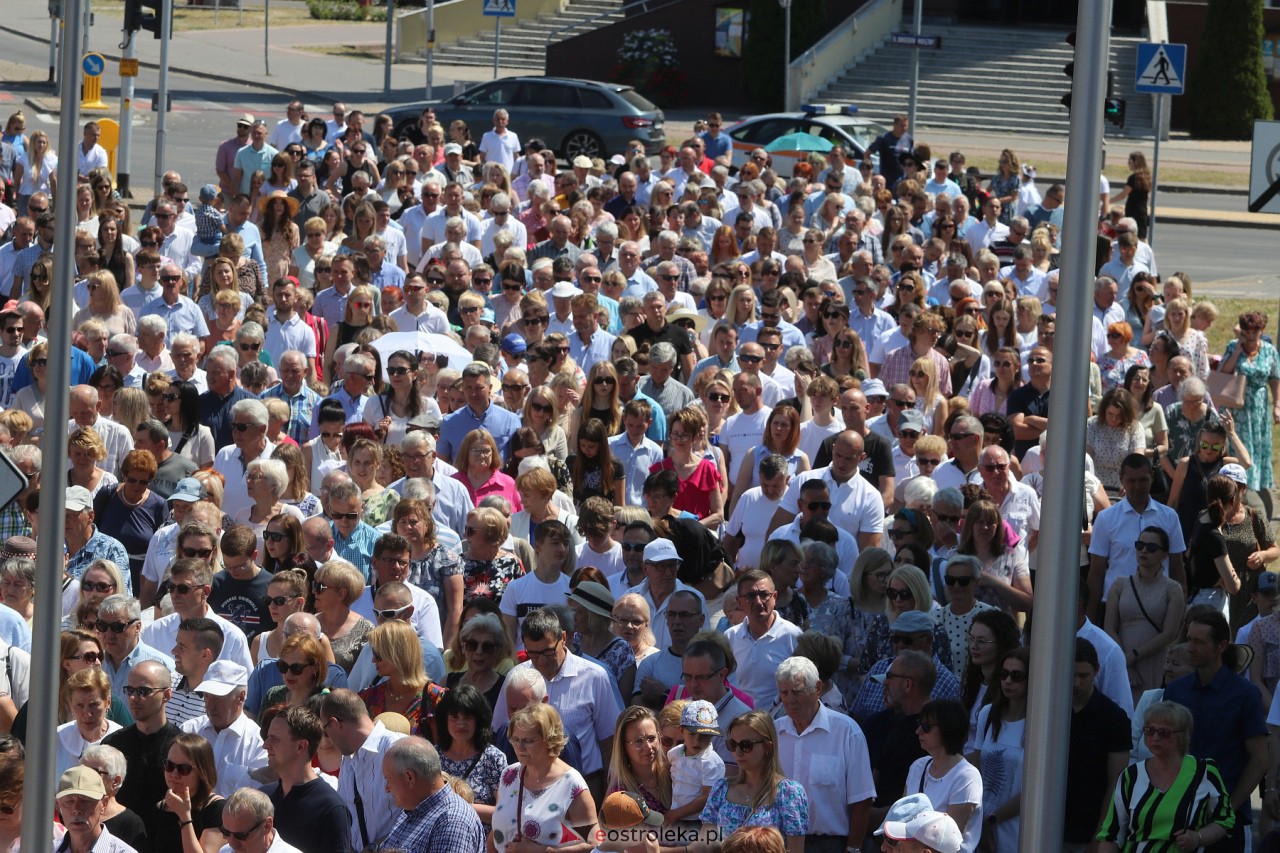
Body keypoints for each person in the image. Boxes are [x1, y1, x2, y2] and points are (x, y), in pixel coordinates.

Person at [1097, 701, 1236, 852]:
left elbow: (1225, 819)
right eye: (1150, 731)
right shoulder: (1130, 776)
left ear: (1182, 735)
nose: (1155, 737)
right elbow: (1111, 834)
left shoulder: (1204, 772)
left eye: (1164, 732)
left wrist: (1198, 838)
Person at [773, 657, 873, 853]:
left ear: (817, 688)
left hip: (828, 844)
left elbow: (862, 800)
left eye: (797, 691)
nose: (790, 700)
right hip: (778, 842)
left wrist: (853, 849)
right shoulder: (774, 732)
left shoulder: (847, 732)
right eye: (784, 693)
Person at [488, 703, 598, 853]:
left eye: (529, 740)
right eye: (515, 739)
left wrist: (542, 851)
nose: (520, 747)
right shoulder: (509, 775)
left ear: (549, 740)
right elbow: (498, 832)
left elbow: (594, 845)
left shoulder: (572, 785)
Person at [697, 710, 808, 853]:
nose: (738, 752)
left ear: (768, 747)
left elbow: (796, 850)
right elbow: (704, 844)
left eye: (746, 745)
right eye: (732, 744)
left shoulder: (789, 792)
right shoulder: (721, 788)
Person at [102, 660, 180, 847]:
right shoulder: (113, 745)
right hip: (117, 843)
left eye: (143, 691)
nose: (134, 698)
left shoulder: (181, 747)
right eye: (130, 690)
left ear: (167, 695)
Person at [319, 688, 407, 851]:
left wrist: (377, 846)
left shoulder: (398, 749)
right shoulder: (348, 758)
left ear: (335, 723)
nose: (327, 738)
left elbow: (424, 811)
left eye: (325, 730)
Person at [260, 705, 354, 853]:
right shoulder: (262, 798)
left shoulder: (330, 809)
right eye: (267, 738)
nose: (265, 745)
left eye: (274, 739)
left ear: (301, 746)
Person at [179, 660, 268, 797]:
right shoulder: (189, 729)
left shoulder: (257, 744)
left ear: (241, 696)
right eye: (206, 696)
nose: (210, 705)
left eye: (218, 698)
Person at [903, 699, 982, 853]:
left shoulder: (967, 777)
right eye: (919, 724)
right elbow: (901, 819)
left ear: (948, 728)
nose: (918, 731)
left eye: (926, 726)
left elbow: (947, 841)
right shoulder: (917, 767)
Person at [969, 646, 1027, 853]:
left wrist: (993, 820)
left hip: (1016, 827)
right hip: (980, 820)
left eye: (1017, 676)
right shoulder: (987, 714)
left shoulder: (1038, 724)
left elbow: (1032, 790)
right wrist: (979, 818)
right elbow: (975, 769)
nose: (1008, 681)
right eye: (1003, 674)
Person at [1216, 310, 1279, 492]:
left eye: (1255, 330)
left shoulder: (1269, 350)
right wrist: (1237, 350)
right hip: (1237, 405)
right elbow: (1224, 372)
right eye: (1247, 330)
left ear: (1262, 330)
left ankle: (1256, 485)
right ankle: (1238, 484)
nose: (1251, 334)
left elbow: (1275, 378)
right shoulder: (1233, 346)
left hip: (1259, 406)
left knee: (1258, 445)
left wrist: (1277, 405)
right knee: (1239, 444)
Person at [358, 619, 446, 741]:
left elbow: (442, 751)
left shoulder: (435, 698)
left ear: (396, 654)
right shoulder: (369, 697)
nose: (373, 660)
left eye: (377, 654)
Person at [435, 684, 508, 828]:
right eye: (454, 718)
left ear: (479, 720)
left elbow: (504, 814)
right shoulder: (432, 756)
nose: (460, 724)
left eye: (467, 717)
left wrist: (460, 807)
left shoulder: (493, 758)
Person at [78, 745, 148, 853]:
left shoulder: (131, 824)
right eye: (82, 771)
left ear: (116, 781)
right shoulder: (71, 811)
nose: (85, 777)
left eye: (94, 772)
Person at [54, 764, 139, 853]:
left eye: (85, 801)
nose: (76, 809)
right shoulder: (47, 849)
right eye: (69, 801)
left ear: (104, 804)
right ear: (58, 805)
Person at [666, 699, 725, 825]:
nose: (697, 741)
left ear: (712, 735)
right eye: (692, 734)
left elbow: (707, 798)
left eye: (704, 736)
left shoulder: (713, 763)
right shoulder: (674, 753)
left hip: (697, 821)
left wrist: (677, 814)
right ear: (682, 731)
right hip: (673, 814)